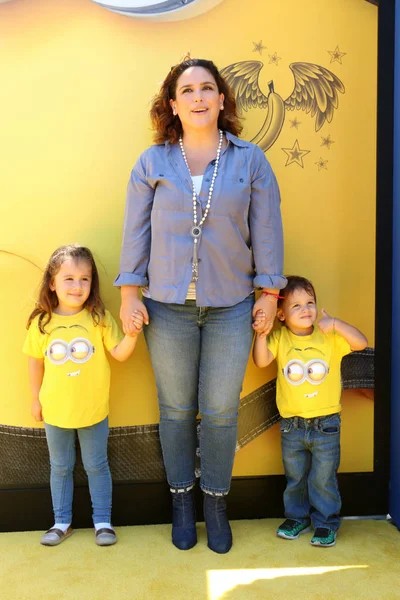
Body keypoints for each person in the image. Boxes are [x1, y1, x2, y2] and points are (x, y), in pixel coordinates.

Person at [114, 57, 286, 554]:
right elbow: (136, 232)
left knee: (219, 411)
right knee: (175, 410)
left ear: (221, 98)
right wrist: (129, 293)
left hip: (232, 304)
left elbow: (268, 232)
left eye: (207, 88)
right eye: (186, 90)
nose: (197, 97)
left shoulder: (250, 160)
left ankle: (215, 500)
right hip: (167, 307)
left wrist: (269, 295)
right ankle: (182, 501)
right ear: (172, 104)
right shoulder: (152, 162)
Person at [23, 244, 143, 547]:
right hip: (55, 411)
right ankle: (61, 522)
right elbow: (35, 362)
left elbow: (119, 353)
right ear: (52, 283)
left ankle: (103, 521)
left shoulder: (99, 317)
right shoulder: (42, 322)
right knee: (60, 466)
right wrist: (35, 399)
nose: (77, 286)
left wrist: (132, 334)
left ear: (92, 283)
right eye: (69, 279)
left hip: (93, 410)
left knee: (96, 465)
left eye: (85, 279)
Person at [253, 275, 368, 547]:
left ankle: (326, 523)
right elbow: (260, 361)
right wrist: (262, 332)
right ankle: (297, 517)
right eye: (296, 306)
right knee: (295, 477)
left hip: (326, 423)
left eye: (310, 303)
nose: (306, 309)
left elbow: (360, 343)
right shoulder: (279, 338)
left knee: (323, 478)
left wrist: (337, 324)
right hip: (292, 424)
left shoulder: (329, 337)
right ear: (280, 315)